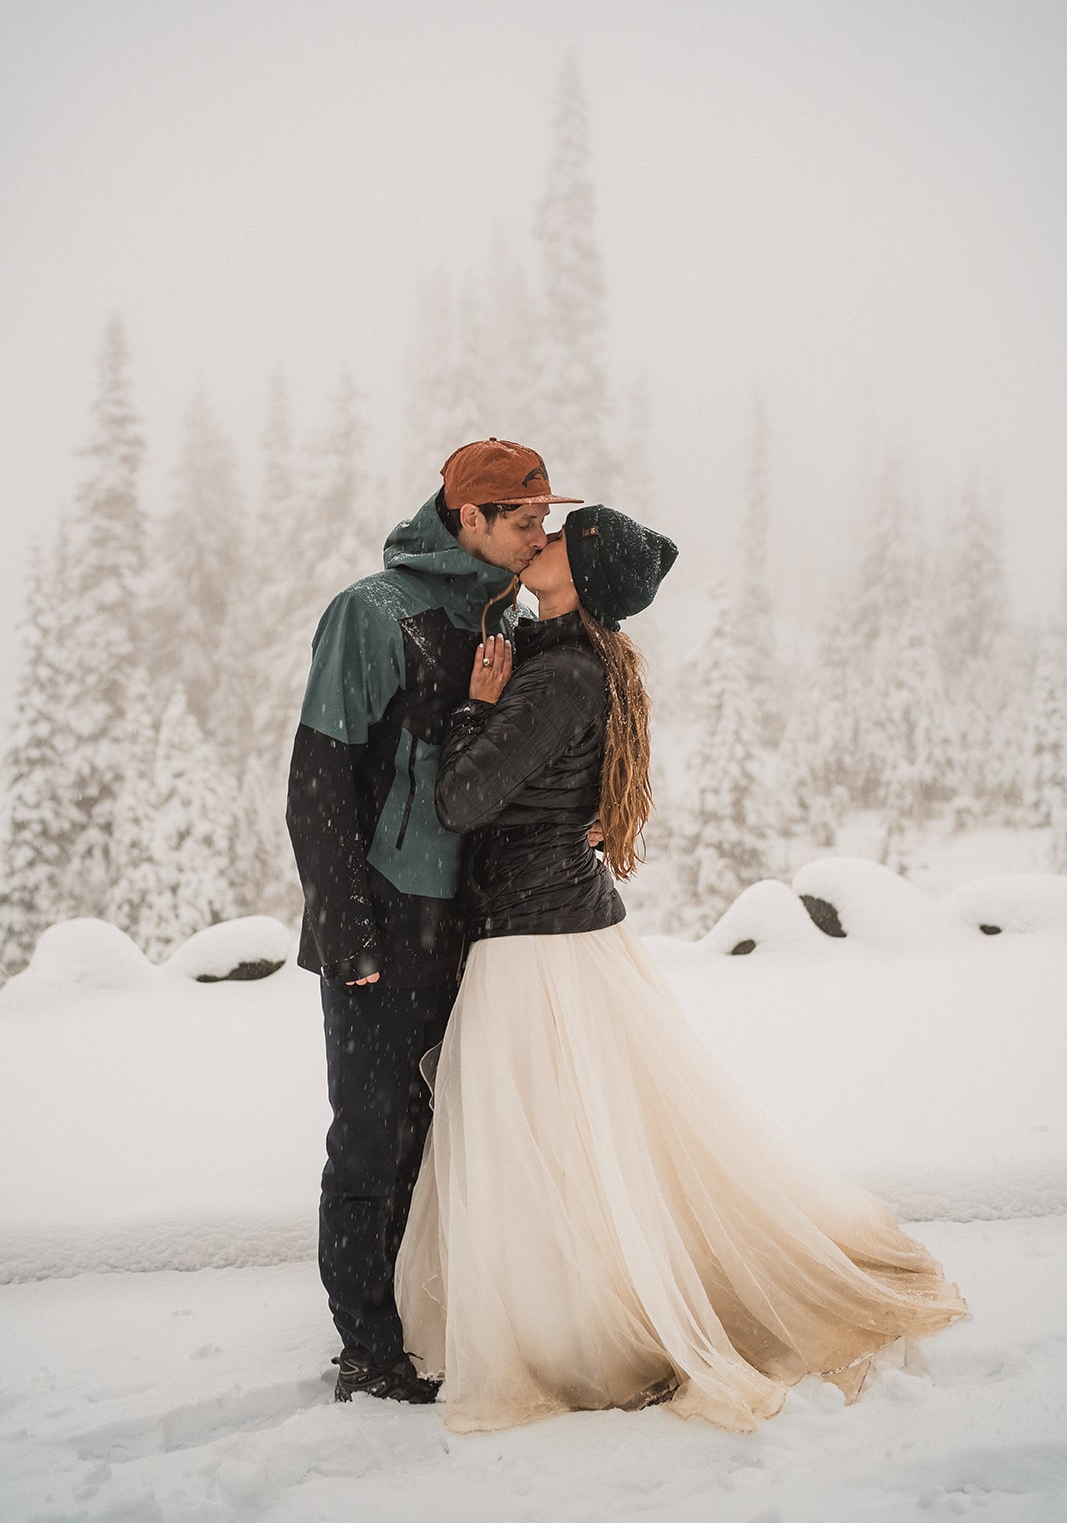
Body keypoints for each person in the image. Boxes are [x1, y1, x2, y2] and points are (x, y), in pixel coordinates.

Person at [395, 505, 968, 1433]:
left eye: (558, 541)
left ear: (584, 576)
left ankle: (583, 1328)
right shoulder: (572, 658)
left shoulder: (562, 673)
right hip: (546, 929)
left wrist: (475, 705)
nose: (538, 540)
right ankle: (574, 1309)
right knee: (572, 1147)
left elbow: (463, 801)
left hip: (536, 942)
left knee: (550, 1147)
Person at [286, 438, 581, 1405]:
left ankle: (422, 1316)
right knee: (371, 1138)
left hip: (478, 929)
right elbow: (318, 781)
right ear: (469, 519)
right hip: (381, 920)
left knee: (445, 1135)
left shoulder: (503, 613)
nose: (540, 532)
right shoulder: (372, 616)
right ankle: (366, 1348)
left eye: (543, 517)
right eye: (524, 518)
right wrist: (347, 934)